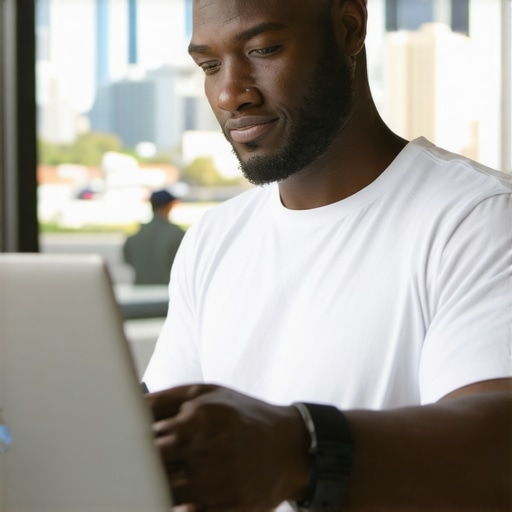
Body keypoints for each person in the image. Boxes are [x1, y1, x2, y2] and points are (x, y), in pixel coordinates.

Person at [143, 0, 512, 510]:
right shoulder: (213, 236)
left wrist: (300, 449)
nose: (230, 92)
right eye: (209, 66)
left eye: (263, 49)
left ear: (349, 28)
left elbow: (498, 449)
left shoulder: (480, 216)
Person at [123, 189, 185, 285]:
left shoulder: (135, 235)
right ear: (169, 206)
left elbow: (128, 260)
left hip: (139, 290)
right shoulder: (177, 234)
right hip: (166, 291)